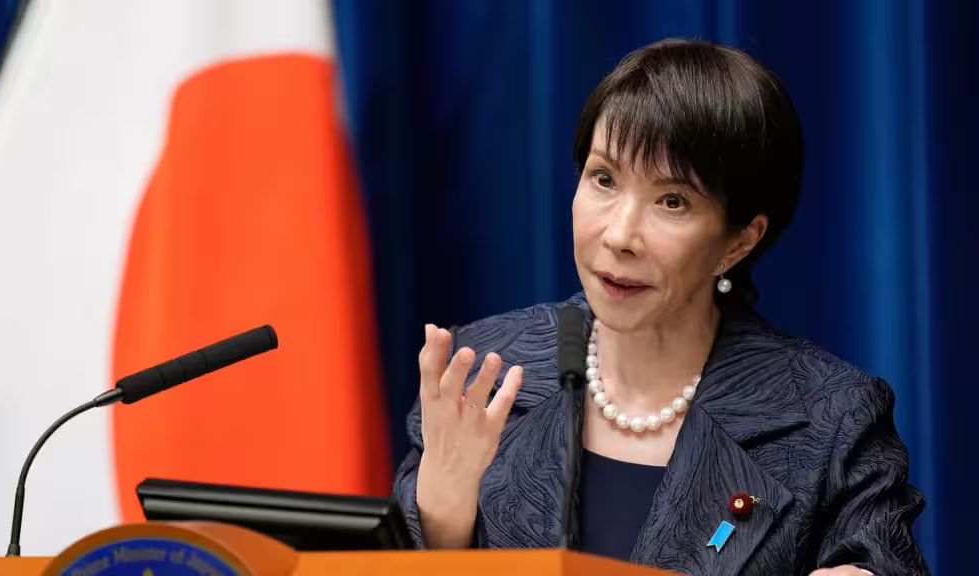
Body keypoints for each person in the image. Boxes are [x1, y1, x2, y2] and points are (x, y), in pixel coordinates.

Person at [392, 39, 928, 575]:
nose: (620, 236)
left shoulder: (831, 419)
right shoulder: (478, 374)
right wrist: (442, 521)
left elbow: (882, 558)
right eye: (604, 179)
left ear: (739, 241)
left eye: (673, 201)